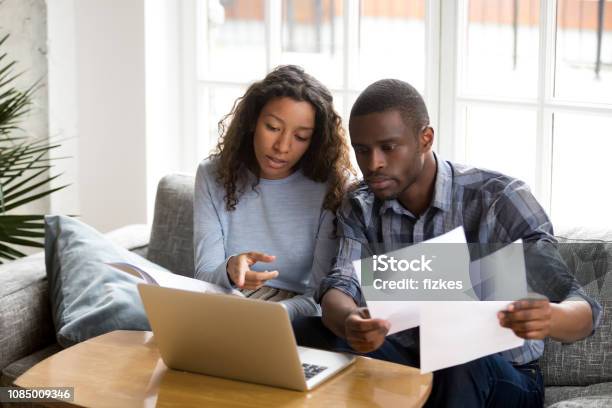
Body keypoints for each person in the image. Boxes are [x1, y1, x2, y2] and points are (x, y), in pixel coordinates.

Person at [293, 79, 602, 407]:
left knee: (457, 356)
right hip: (410, 364)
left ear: (425, 139)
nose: (373, 164)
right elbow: (340, 287)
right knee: (305, 330)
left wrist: (551, 317)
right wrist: (350, 322)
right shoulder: (361, 205)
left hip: (502, 375)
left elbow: (583, 309)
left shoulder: (500, 199)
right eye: (362, 150)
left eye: (388, 147)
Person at [193, 65, 353, 321]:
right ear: (253, 121)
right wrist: (230, 269)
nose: (282, 147)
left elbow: (322, 296)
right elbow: (204, 277)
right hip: (225, 305)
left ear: (315, 141)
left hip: (295, 316)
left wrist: (272, 315)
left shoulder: (330, 187)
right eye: (273, 127)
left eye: (300, 137)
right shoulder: (213, 175)